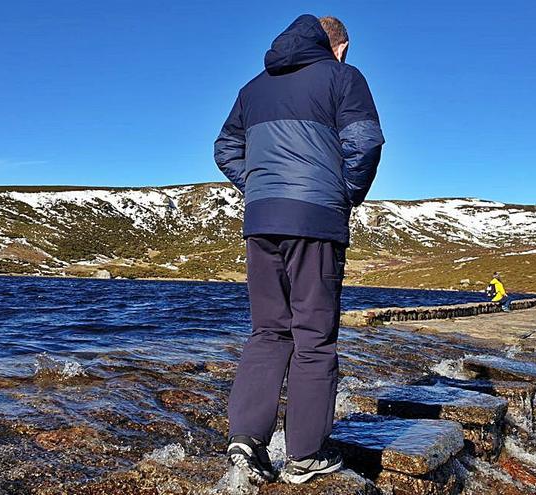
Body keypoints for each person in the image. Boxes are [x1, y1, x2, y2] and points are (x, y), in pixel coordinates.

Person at [214, 14, 384, 485]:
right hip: (315, 220)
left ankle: (247, 440)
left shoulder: (253, 87)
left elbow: (225, 147)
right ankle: (306, 455)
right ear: (341, 47)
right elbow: (365, 141)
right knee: (314, 337)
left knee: (268, 331)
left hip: (262, 221)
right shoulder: (343, 77)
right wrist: (342, 191)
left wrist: (259, 185)